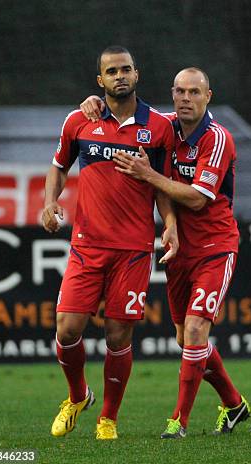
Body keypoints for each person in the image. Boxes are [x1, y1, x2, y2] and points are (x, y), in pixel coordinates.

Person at [79, 67, 250, 439]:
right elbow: (128, 113)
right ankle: (234, 404)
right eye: (179, 92)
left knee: (194, 330)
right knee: (185, 339)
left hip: (215, 248)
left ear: (209, 96)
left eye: (194, 92)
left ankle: (179, 421)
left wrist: (148, 175)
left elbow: (198, 198)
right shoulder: (166, 127)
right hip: (179, 250)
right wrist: (95, 105)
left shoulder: (217, 139)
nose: (185, 99)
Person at [43, 45, 176, 440]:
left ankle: (108, 418)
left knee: (118, 336)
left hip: (134, 249)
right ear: (100, 81)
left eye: (126, 69)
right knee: (67, 330)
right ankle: (78, 394)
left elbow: (164, 186)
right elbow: (58, 166)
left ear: (137, 74)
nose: (120, 76)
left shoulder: (160, 126)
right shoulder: (79, 120)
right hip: (87, 245)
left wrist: (169, 223)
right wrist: (50, 202)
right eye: (112, 71)